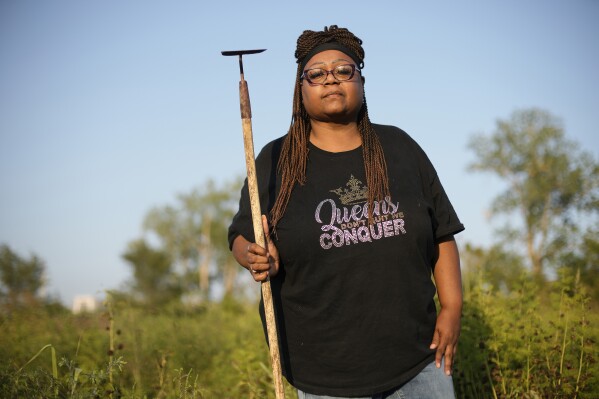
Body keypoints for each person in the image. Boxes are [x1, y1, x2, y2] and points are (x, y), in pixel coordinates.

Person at [228, 25, 465, 399]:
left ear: (361, 79)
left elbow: (442, 233)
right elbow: (242, 235)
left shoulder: (400, 147)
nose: (330, 80)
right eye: (316, 74)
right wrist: (254, 256)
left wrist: (452, 308)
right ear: (300, 88)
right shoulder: (275, 160)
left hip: (419, 363)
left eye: (343, 70)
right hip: (326, 375)